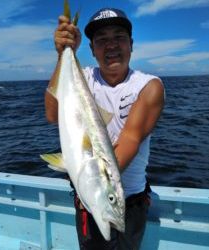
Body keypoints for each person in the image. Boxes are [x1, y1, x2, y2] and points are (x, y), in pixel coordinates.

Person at [45, 7, 164, 250]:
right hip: (88, 197)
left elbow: (129, 141)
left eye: (119, 37)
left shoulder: (148, 86)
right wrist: (63, 54)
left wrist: (91, 180)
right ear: (91, 49)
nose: (111, 45)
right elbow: (52, 114)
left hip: (126, 202)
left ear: (131, 44)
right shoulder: (83, 77)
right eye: (102, 40)